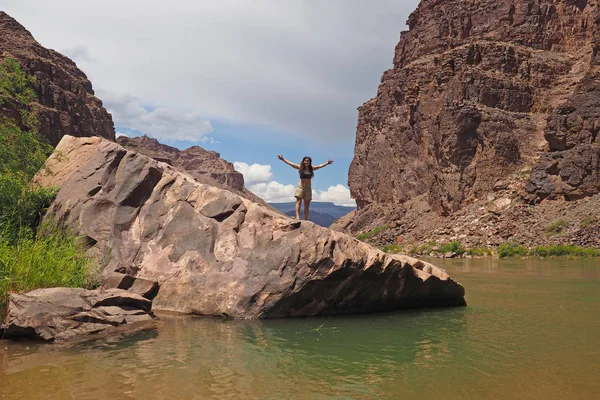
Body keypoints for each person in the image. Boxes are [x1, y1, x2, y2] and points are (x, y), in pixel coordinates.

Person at [277, 155, 333, 220]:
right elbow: (291, 164)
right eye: (305, 161)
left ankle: (306, 219)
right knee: (299, 202)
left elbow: (319, 166)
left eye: (308, 161)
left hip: (308, 187)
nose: (306, 162)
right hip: (301, 186)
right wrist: (283, 159)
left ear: (310, 162)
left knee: (307, 205)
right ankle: (297, 217)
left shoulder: (311, 168)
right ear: (303, 161)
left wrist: (327, 163)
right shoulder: (300, 167)